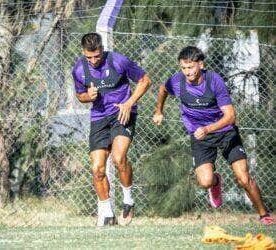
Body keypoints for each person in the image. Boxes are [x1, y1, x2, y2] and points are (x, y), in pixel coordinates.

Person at [153, 46, 274, 225]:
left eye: (191, 67)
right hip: (200, 137)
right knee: (204, 181)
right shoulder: (177, 81)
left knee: (243, 177)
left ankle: (264, 215)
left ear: (200, 64)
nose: (187, 72)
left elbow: (230, 116)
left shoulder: (214, 81)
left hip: (225, 133)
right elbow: (163, 90)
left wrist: (208, 128)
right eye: (183, 68)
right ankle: (216, 181)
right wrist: (158, 110)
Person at [72, 32, 152, 226]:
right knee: (97, 169)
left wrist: (129, 103)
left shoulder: (118, 61)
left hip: (122, 113)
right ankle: (108, 214)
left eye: (97, 56)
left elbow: (145, 81)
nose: (93, 60)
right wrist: (88, 96)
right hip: (99, 118)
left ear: (102, 50)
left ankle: (128, 198)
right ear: (84, 53)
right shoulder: (79, 69)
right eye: (89, 57)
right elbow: (80, 95)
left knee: (118, 158)